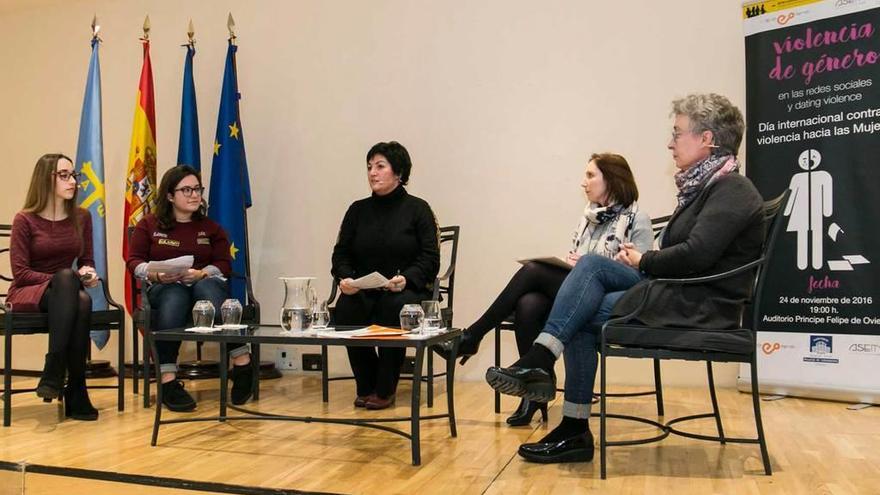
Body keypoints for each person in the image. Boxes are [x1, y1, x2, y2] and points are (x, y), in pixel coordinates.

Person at [487, 93, 765, 464]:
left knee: (583, 296)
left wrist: (643, 258)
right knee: (587, 276)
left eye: (677, 133)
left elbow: (697, 254)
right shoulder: (706, 188)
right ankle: (562, 405)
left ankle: (558, 396)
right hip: (677, 294)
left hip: (699, 305)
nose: (670, 142)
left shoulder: (733, 189)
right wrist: (643, 260)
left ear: (707, 139)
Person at [437, 153, 652, 427]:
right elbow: (581, 265)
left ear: (611, 179)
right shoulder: (588, 219)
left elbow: (642, 270)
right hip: (581, 293)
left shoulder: (637, 217)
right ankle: (534, 391)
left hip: (617, 294)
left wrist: (609, 261)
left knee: (533, 272)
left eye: (590, 175)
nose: (583, 183)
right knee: (530, 303)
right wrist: (572, 263)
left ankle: (473, 336)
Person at [127, 165, 254, 412]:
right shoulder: (148, 225)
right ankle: (168, 380)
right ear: (170, 195)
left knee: (208, 290)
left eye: (197, 189)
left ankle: (242, 363)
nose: (194, 195)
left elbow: (224, 264)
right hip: (165, 286)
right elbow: (134, 261)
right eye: (186, 190)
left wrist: (203, 272)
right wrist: (155, 274)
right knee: (174, 297)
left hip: (202, 283)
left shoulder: (211, 227)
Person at [331, 141, 440, 410]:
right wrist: (345, 279)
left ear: (399, 172)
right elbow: (340, 254)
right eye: (369, 167)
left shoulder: (418, 209)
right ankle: (366, 384)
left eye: (380, 166)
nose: (372, 173)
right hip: (364, 288)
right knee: (346, 310)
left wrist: (407, 278)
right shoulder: (357, 210)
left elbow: (430, 258)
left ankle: (384, 388)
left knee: (395, 308)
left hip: (404, 289)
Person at [7, 153, 101, 421]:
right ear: (45, 179)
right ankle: (72, 386)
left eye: (74, 175)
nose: (73, 181)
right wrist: (67, 279)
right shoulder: (24, 220)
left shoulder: (82, 217)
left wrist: (87, 274)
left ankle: (60, 376)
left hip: (67, 295)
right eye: (65, 175)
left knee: (81, 299)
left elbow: (86, 262)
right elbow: (21, 273)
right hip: (29, 292)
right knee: (67, 280)